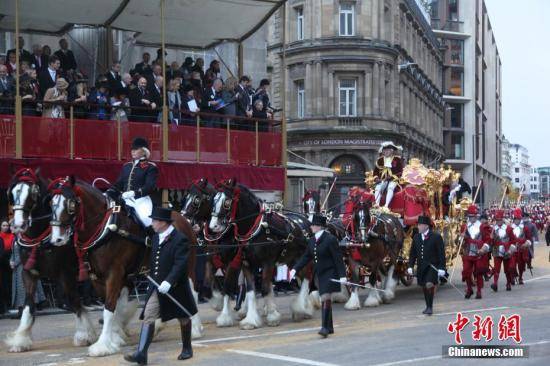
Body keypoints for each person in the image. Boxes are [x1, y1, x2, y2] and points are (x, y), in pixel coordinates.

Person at [124, 207, 197, 364]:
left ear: (163, 223)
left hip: (177, 287)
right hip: (157, 287)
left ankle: (187, 348)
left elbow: (180, 264)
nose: (152, 224)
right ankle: (141, 354)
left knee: (183, 317)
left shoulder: (180, 239)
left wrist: (169, 281)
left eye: (154, 221)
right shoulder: (157, 237)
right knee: (148, 316)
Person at [290, 214, 347, 338]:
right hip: (319, 274)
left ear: (319, 227)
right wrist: (295, 269)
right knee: (325, 299)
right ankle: (330, 326)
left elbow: (338, 259)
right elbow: (306, 257)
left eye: (313, 225)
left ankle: (325, 328)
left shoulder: (330, 239)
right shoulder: (312, 240)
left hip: (331, 273)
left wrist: (342, 275)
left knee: (325, 298)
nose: (311, 227)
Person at [107, 137, 158, 229]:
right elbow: (119, 183)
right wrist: (109, 191)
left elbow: (149, 186)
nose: (132, 151)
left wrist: (134, 193)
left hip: (141, 200)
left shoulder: (150, 167)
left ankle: (149, 240)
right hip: (124, 199)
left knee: (146, 219)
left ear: (144, 151)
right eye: (132, 149)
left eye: (136, 149)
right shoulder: (126, 166)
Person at [407, 215, 446, 315]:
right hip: (421, 267)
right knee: (424, 286)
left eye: (420, 225)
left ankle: (430, 307)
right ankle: (428, 306)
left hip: (432, 266)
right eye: (418, 225)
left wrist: (442, 268)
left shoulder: (436, 237)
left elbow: (441, 254)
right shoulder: (416, 237)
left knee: (429, 284)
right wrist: (410, 266)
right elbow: (413, 254)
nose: (418, 227)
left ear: (426, 226)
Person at [460, 205, 491, 299]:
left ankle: (479, 291)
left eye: (473, 216)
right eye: (470, 216)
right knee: (466, 271)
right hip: (468, 251)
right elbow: (462, 240)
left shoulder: (482, 226)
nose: (472, 218)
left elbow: (487, 240)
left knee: (478, 272)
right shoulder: (464, 226)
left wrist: (483, 249)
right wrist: (462, 237)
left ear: (477, 216)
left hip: (479, 251)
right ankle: (469, 289)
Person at [10, 242, 47, 318]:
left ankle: (29, 310)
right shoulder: (16, 239)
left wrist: (15, 262)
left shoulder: (25, 240)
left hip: (25, 265)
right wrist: (11, 261)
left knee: (26, 289)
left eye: (14, 229)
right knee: (19, 291)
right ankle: (21, 310)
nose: (12, 230)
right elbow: (13, 252)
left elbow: (24, 253)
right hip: (17, 268)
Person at [491, 209, 517, 292]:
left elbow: (513, 241)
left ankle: (508, 283)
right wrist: (491, 238)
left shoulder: (508, 229)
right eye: (497, 220)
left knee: (507, 269)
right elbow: (490, 241)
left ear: (502, 219)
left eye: (499, 220)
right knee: (496, 268)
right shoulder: (493, 229)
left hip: (506, 250)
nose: (498, 221)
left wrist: (510, 250)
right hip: (496, 249)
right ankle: (495, 284)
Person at [373, 141, 404, 208]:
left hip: (394, 180)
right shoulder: (380, 160)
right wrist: (376, 179)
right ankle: (377, 205)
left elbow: (400, 171)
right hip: (382, 180)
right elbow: (375, 172)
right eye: (384, 150)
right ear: (383, 151)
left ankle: (386, 205)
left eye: (388, 150)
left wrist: (392, 177)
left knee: (390, 187)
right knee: (378, 188)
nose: (386, 152)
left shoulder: (397, 159)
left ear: (391, 151)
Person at [511, 208, 532, 285]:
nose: (517, 220)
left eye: (518, 219)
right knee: (512, 265)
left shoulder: (525, 228)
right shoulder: (510, 228)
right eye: (515, 219)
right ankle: (512, 277)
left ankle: (520, 277)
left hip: (522, 249)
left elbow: (529, 239)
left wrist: (526, 244)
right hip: (513, 249)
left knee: (521, 265)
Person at [0, 221, 15, 314]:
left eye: (7, 225)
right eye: (4, 225)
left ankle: (12, 303)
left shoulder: (12, 236)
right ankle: (7, 304)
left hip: (12, 260)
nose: (6, 227)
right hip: (3, 262)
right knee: (5, 284)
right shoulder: (0, 237)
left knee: (12, 283)